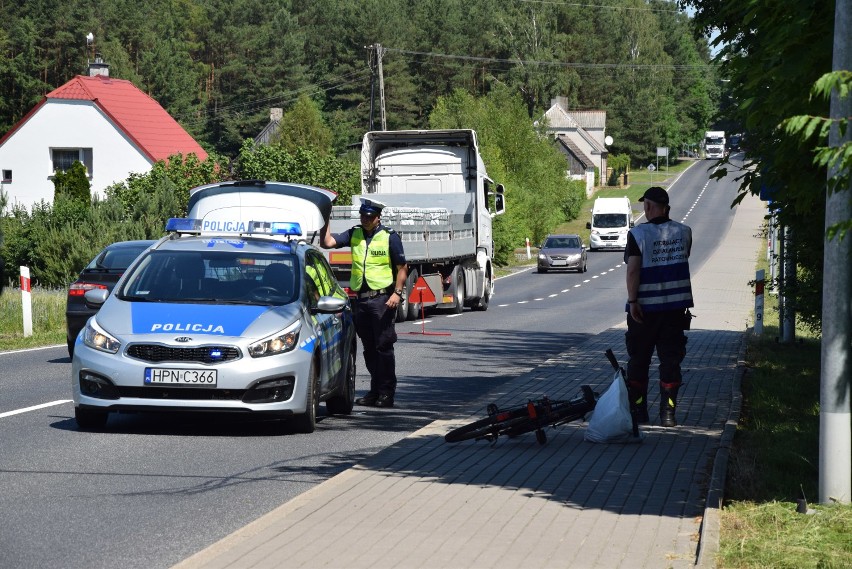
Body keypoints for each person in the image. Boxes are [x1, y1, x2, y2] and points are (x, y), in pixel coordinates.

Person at [320, 198, 408, 408]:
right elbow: (327, 243)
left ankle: (386, 393)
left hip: (382, 300)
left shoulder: (390, 237)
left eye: (369, 216)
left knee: (383, 347)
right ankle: (375, 390)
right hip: (361, 300)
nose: (365, 219)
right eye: (362, 216)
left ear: (378, 217)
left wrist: (397, 293)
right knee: (369, 348)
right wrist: (325, 216)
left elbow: (403, 267)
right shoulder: (355, 234)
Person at [624, 186, 693, 427]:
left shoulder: (638, 234)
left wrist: (633, 301)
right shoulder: (684, 232)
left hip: (644, 311)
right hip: (674, 310)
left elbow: (633, 270)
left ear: (648, 207)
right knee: (671, 361)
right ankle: (668, 414)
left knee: (639, 361)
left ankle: (639, 412)